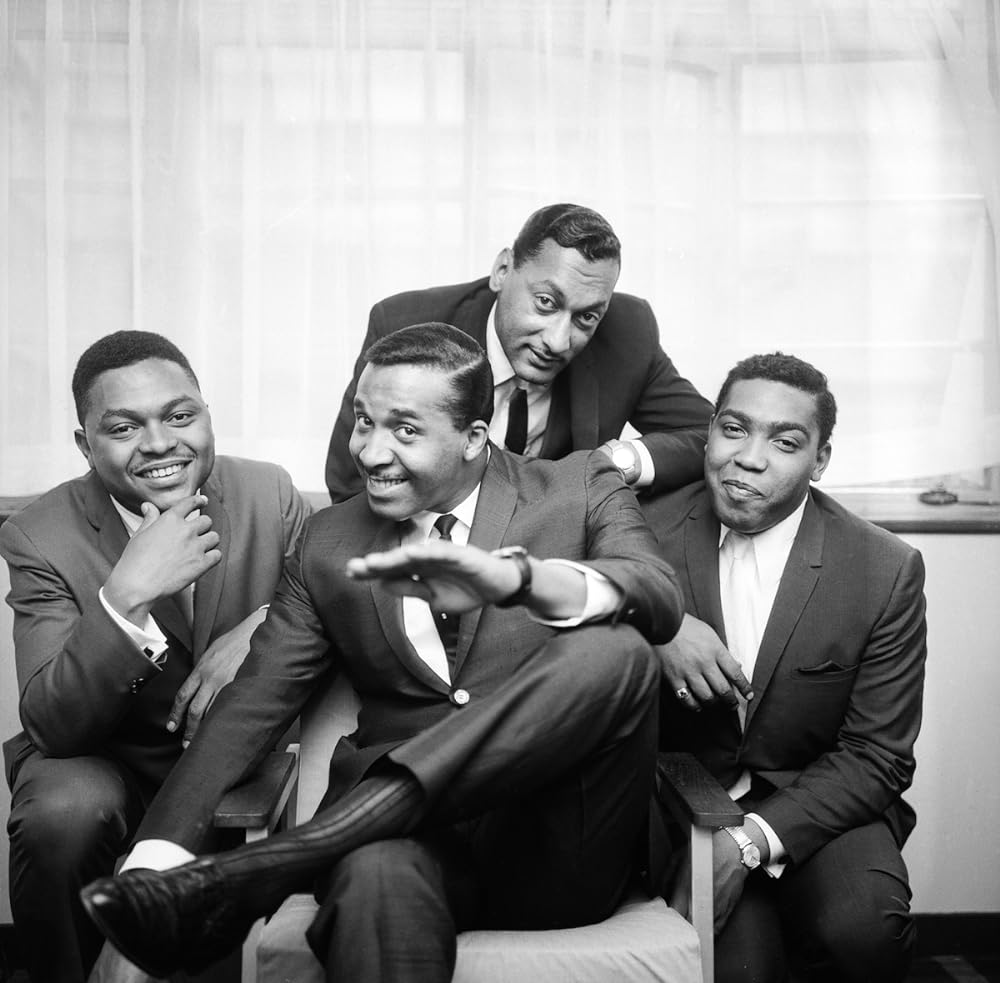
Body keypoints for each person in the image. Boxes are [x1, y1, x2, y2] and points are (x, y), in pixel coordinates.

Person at [78, 322, 684, 983]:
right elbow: (247, 712)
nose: (369, 451)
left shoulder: (579, 486)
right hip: (402, 848)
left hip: (561, 846)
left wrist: (519, 579)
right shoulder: (328, 542)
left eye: (404, 430)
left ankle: (297, 853)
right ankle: (321, 849)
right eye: (364, 421)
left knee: (618, 647)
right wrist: (151, 869)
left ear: (474, 437)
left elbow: (656, 594)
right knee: (372, 874)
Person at [0, 331, 310, 983]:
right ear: (85, 444)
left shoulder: (269, 492)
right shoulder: (39, 533)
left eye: (180, 415)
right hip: (106, 761)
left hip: (236, 764)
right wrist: (128, 595)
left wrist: (261, 626)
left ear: (206, 415)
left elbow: (328, 604)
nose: (161, 442)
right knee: (62, 809)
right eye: (124, 427)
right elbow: (53, 725)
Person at [642, 352, 926, 983]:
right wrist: (660, 627)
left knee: (866, 934)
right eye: (734, 429)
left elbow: (879, 755)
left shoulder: (884, 569)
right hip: (682, 800)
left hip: (819, 800)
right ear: (709, 433)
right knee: (740, 968)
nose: (749, 458)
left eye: (785, 442)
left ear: (820, 460)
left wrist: (749, 843)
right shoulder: (639, 533)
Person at [324, 202, 713, 502]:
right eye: (545, 302)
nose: (558, 341)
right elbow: (350, 483)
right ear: (503, 270)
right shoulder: (405, 323)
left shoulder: (627, 333)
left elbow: (709, 435)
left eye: (586, 317)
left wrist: (619, 462)